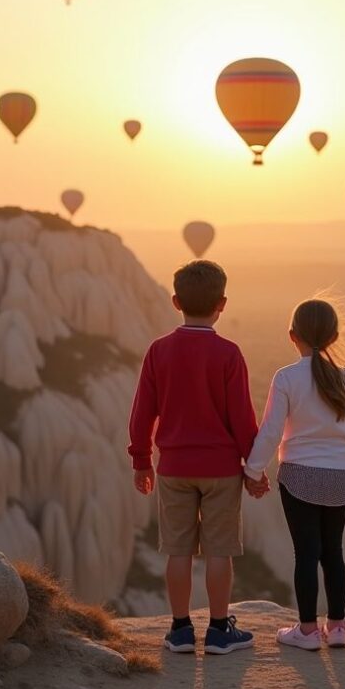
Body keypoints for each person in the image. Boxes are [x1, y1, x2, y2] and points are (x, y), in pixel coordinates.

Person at [128, 260, 263, 655]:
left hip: (173, 469)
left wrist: (140, 461)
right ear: (222, 304)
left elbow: (141, 414)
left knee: (178, 550)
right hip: (221, 470)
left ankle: (181, 630)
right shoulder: (229, 354)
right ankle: (220, 630)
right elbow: (243, 419)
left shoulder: (159, 351)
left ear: (175, 301)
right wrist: (253, 469)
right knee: (220, 551)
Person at [244, 297, 345, 651]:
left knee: (306, 553)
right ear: (334, 336)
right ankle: (339, 627)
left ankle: (306, 631)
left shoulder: (286, 378)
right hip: (338, 478)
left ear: (292, 336)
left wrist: (252, 470)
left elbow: (270, 431)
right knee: (334, 551)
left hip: (298, 476)